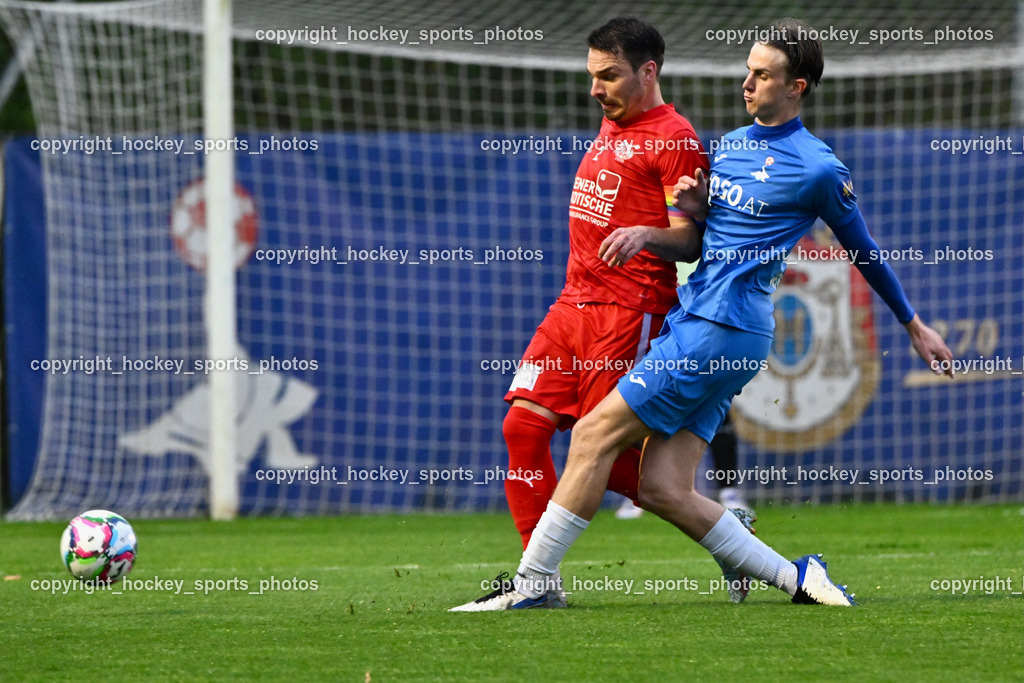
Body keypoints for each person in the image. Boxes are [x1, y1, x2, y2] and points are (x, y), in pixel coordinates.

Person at [453, 17, 954, 610]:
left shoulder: (818, 167)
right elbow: (709, 231)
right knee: (661, 487)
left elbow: (863, 250)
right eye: (747, 70)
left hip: (721, 329)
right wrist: (696, 208)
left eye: (763, 75)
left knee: (591, 436)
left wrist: (911, 322)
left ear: (797, 87)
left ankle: (533, 586)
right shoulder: (733, 146)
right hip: (702, 324)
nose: (747, 83)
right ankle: (797, 577)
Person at [451, 17, 720, 612]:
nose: (597, 89)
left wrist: (644, 234)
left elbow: (692, 240)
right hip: (573, 304)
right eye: (592, 76)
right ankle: (537, 582)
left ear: (649, 72)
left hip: (630, 311)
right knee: (522, 428)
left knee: (628, 471)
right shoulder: (613, 117)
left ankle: (729, 536)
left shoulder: (675, 139)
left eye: (610, 76)